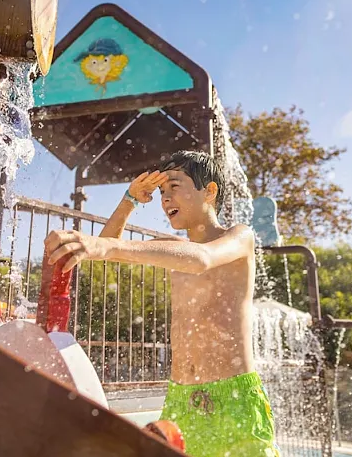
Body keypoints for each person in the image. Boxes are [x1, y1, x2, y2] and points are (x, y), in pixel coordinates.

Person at [45, 150, 280, 457]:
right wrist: (129, 200)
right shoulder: (174, 248)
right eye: (161, 191)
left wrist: (104, 245)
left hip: (233, 399)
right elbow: (108, 255)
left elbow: (201, 259)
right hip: (180, 400)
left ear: (209, 191)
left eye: (175, 186)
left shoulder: (239, 237)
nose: (165, 198)